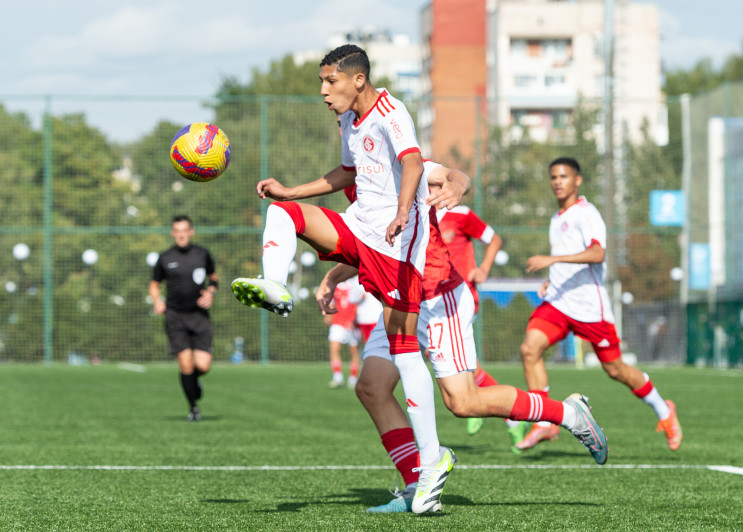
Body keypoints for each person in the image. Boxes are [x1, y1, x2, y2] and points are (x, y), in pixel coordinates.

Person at [231, 44, 453, 514]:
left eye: (330, 81)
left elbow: (413, 164)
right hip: (358, 228)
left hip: (397, 248)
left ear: (357, 80)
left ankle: (432, 462)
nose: (323, 91)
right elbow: (349, 172)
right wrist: (294, 188)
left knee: (404, 350)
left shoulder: (392, 112)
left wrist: (399, 213)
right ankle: (274, 285)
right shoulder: (348, 120)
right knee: (284, 212)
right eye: (321, 82)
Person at [317, 160, 609, 513]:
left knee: (463, 402)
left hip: (438, 300)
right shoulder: (359, 172)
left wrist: (457, 185)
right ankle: (416, 485)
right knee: (372, 388)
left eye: (344, 112)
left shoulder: (396, 152)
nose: (331, 106)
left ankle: (568, 414)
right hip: (398, 299)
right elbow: (373, 244)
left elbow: (453, 176)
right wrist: (333, 277)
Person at [516, 157, 683, 452]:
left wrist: (552, 260)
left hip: (590, 309)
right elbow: (570, 259)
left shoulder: (587, 213)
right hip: (559, 303)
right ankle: (544, 422)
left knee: (616, 369)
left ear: (577, 180)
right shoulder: (557, 217)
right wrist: (552, 279)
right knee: (530, 349)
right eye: (553, 176)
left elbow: (597, 254)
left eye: (563, 176)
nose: (557, 181)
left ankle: (664, 410)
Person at [433, 184, 526, 444]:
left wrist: (483, 268)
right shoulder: (419, 215)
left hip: (461, 299)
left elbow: (494, 239)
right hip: (433, 302)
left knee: (459, 367)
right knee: (464, 367)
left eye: (433, 182)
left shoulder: (461, 214)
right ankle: (492, 410)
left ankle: (506, 412)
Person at [149, 215, 219, 422]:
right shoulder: (165, 258)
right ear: (172, 233)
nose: (181, 234)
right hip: (175, 317)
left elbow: (213, 277)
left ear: (191, 231)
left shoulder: (202, 254)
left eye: (184, 230)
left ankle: (193, 382)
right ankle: (193, 408)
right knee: (185, 364)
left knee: (203, 366)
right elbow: (154, 284)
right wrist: (156, 301)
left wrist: (211, 293)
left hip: (199, 316)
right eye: (177, 231)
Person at [325, 276, 362, 389]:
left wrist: (353, 319)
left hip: (352, 324)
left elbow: (358, 304)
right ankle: (338, 378)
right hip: (337, 322)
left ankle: (353, 379)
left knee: (354, 351)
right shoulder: (336, 284)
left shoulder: (355, 284)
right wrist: (328, 315)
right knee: (334, 348)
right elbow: (331, 301)